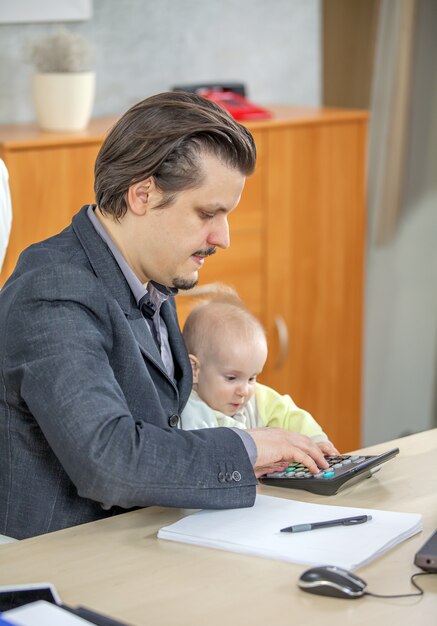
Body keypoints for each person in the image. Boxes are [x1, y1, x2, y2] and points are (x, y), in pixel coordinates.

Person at [0, 91, 329, 540]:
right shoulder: (54, 291)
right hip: (63, 567)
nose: (223, 237)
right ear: (143, 194)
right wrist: (245, 449)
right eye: (207, 213)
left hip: (143, 539)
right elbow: (109, 461)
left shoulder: (152, 274)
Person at [181, 294, 338, 457]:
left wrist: (316, 441)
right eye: (231, 378)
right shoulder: (190, 414)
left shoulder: (258, 397)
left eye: (251, 378)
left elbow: (290, 415)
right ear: (194, 370)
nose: (244, 391)